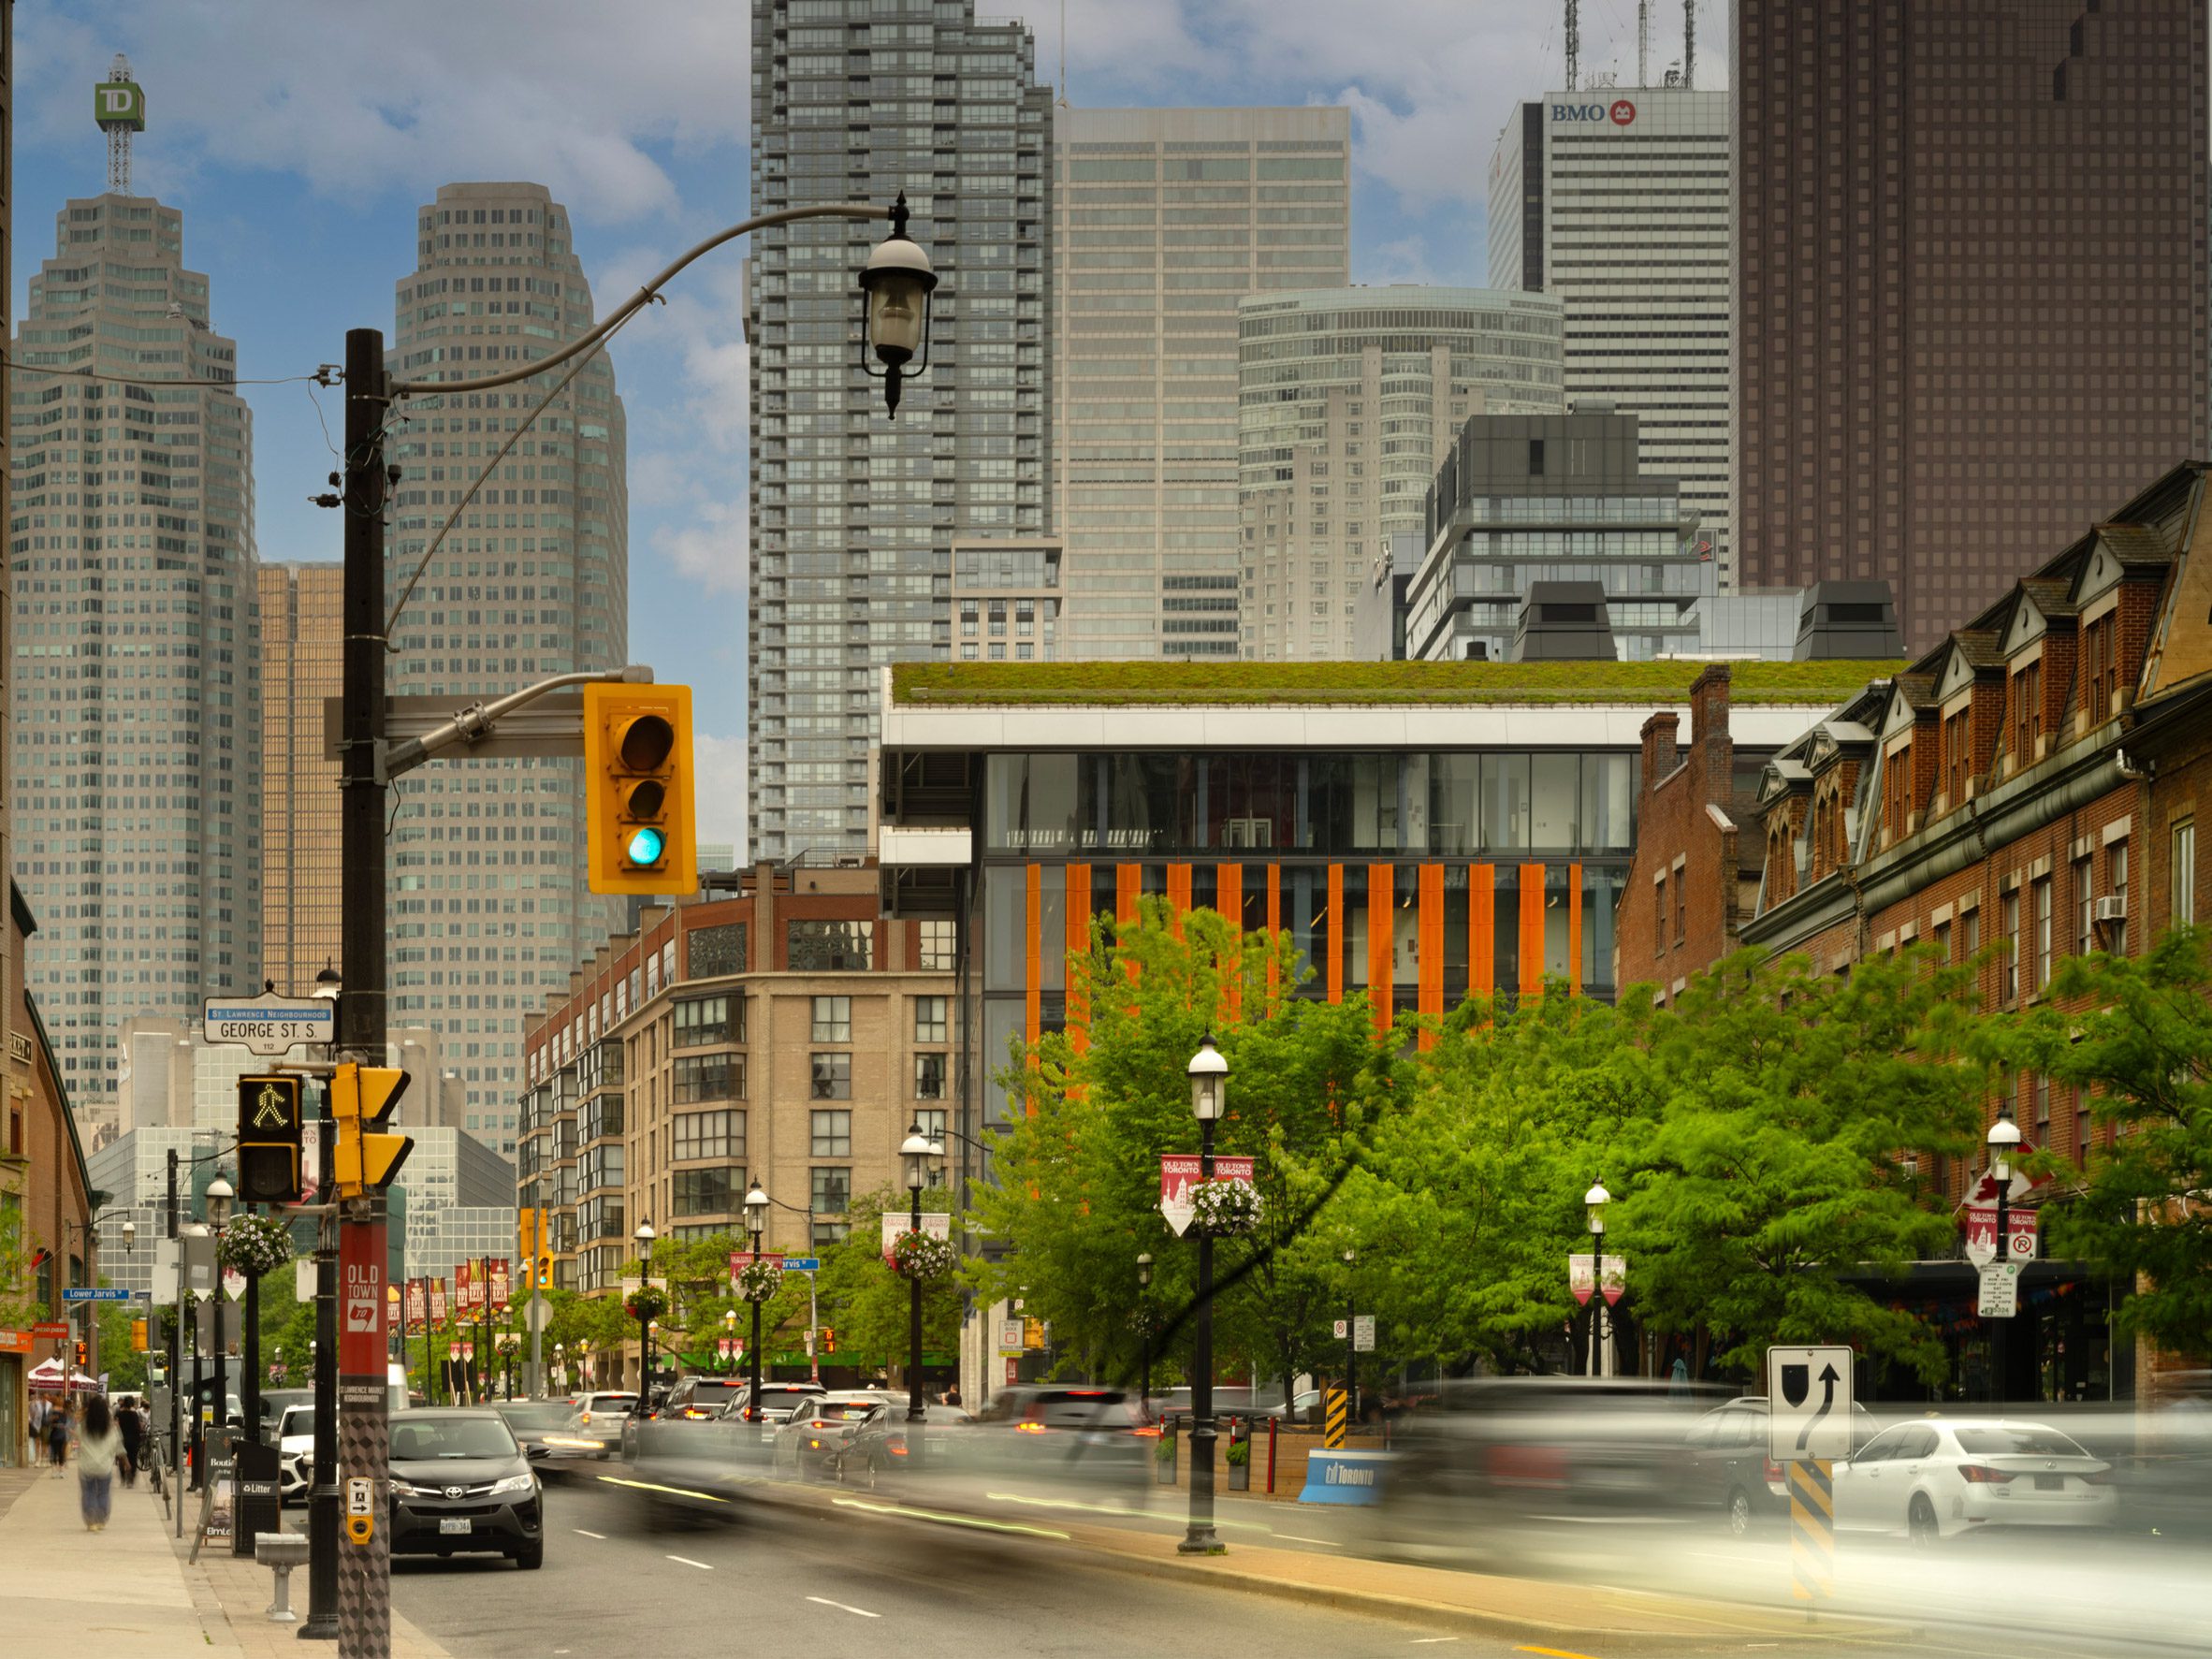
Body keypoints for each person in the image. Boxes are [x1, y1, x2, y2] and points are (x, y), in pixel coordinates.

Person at [75, 1395, 123, 1531]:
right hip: (104, 1467)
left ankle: (91, 1521)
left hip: (86, 1466)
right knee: (103, 1493)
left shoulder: (83, 1426)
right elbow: (117, 1444)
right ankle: (101, 1519)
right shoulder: (110, 1427)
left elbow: (78, 1436)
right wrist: (124, 1460)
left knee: (88, 1492)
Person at [115, 1397, 144, 1489]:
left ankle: (123, 1478)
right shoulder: (134, 1414)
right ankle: (130, 1480)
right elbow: (137, 1428)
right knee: (133, 1459)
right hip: (133, 1440)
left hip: (122, 1440)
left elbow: (116, 1426)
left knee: (122, 1459)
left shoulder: (119, 1414)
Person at [45, 1399, 69, 1477]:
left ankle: (60, 1470)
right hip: (55, 1433)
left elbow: (65, 1422)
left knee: (60, 1452)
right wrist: (52, 1419)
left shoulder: (63, 1412)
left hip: (60, 1434)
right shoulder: (52, 1411)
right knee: (55, 1452)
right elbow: (47, 1422)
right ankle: (55, 1471)